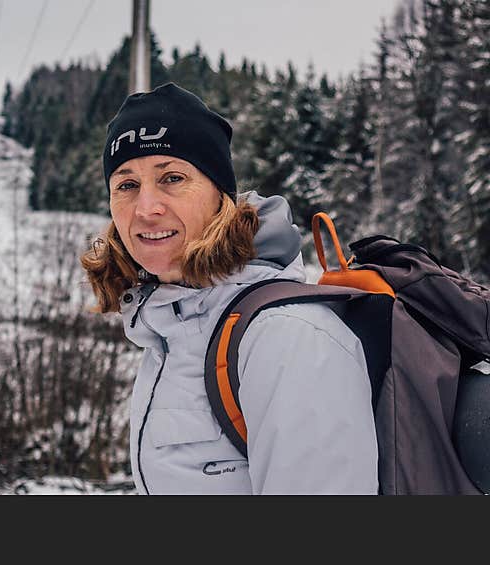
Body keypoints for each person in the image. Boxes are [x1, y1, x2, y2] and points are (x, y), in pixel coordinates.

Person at [81, 82, 379, 494]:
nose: (146, 208)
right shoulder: (171, 327)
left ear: (220, 196)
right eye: (126, 185)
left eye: (172, 177)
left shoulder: (286, 337)